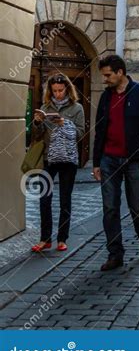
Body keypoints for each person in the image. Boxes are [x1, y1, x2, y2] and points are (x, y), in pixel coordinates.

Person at [93, 55, 139, 271]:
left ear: (120, 72)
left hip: (135, 160)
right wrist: (96, 162)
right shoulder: (105, 97)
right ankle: (115, 254)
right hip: (108, 159)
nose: (105, 79)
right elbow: (99, 130)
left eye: (108, 75)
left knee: (137, 206)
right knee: (110, 208)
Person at [30, 74, 85, 253]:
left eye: (61, 90)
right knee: (44, 199)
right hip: (48, 158)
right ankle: (45, 239)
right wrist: (37, 123)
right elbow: (37, 136)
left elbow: (80, 134)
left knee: (65, 200)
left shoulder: (77, 108)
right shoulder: (45, 107)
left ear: (67, 89)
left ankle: (62, 238)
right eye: (54, 91)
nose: (58, 94)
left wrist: (65, 124)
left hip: (68, 159)